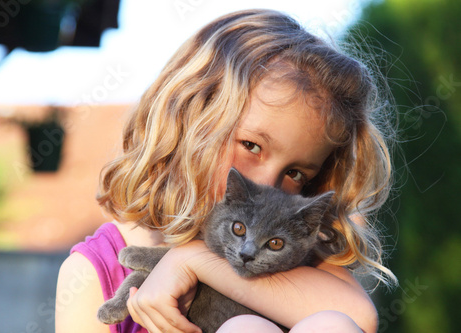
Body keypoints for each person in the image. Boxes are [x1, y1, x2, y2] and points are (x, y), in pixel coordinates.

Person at [56, 9, 397, 333]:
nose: (266, 183)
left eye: (296, 173)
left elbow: (358, 317)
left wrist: (189, 260)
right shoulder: (96, 271)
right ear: (187, 121)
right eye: (251, 145)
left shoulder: (289, 254)